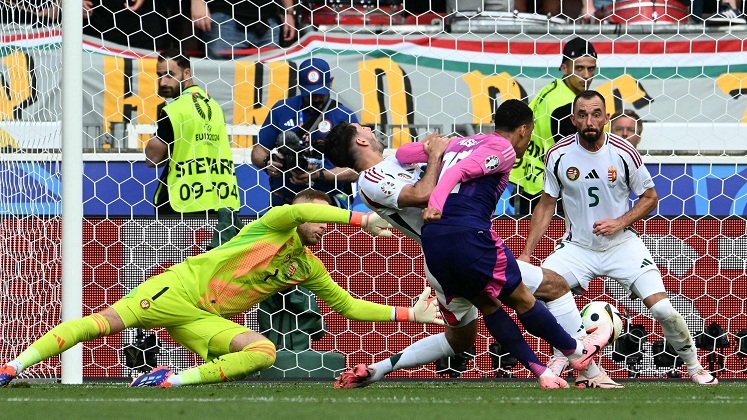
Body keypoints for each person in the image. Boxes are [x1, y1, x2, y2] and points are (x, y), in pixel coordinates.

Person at [0, 189, 444, 388]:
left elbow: (346, 306)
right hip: (175, 290)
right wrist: (362, 219)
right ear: (305, 212)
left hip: (202, 319)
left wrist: (409, 315)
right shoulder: (273, 224)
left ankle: (170, 381)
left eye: (329, 223)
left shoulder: (306, 267)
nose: (324, 230)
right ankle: (12, 367)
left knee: (262, 352)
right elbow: (294, 214)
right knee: (100, 325)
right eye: (321, 219)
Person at [325, 101, 611, 390]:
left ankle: (377, 369)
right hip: (455, 244)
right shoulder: (371, 180)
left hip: (445, 254)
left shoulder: (396, 160)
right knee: (552, 287)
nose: (371, 129)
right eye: (364, 128)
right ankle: (584, 364)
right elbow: (424, 193)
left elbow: (438, 153)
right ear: (361, 140)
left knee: (460, 339)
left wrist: (450, 146)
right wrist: (436, 155)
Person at [517, 90, 718, 386]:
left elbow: (650, 197)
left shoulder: (624, 152)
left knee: (663, 309)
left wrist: (619, 222)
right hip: (576, 248)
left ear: (606, 118)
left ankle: (694, 367)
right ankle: (569, 356)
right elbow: (547, 203)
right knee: (532, 294)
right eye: (582, 114)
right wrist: (526, 254)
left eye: (596, 114)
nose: (590, 121)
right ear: (573, 119)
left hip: (622, 245)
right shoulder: (558, 155)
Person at [251, 57, 359, 209]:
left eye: (320, 92)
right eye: (310, 92)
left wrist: (318, 175)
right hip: (284, 199)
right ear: (298, 84)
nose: (316, 97)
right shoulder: (282, 109)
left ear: (331, 82)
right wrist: (266, 163)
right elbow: (259, 149)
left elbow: (356, 169)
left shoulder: (344, 116)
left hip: (326, 202)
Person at [145, 49, 240, 215]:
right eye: (159, 75)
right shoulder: (215, 107)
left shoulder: (174, 110)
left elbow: (152, 159)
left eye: (169, 75)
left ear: (187, 73)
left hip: (182, 201)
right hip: (218, 198)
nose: (162, 82)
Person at [509, 37, 598, 215]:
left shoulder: (550, 90)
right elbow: (577, 153)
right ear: (564, 68)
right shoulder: (567, 104)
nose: (587, 75)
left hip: (533, 182)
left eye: (591, 68)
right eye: (579, 68)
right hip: (554, 193)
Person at [191, 0, 296, 59]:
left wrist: (288, 11)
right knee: (224, 76)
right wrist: (197, 2)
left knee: (268, 77)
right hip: (225, 16)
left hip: (268, 19)